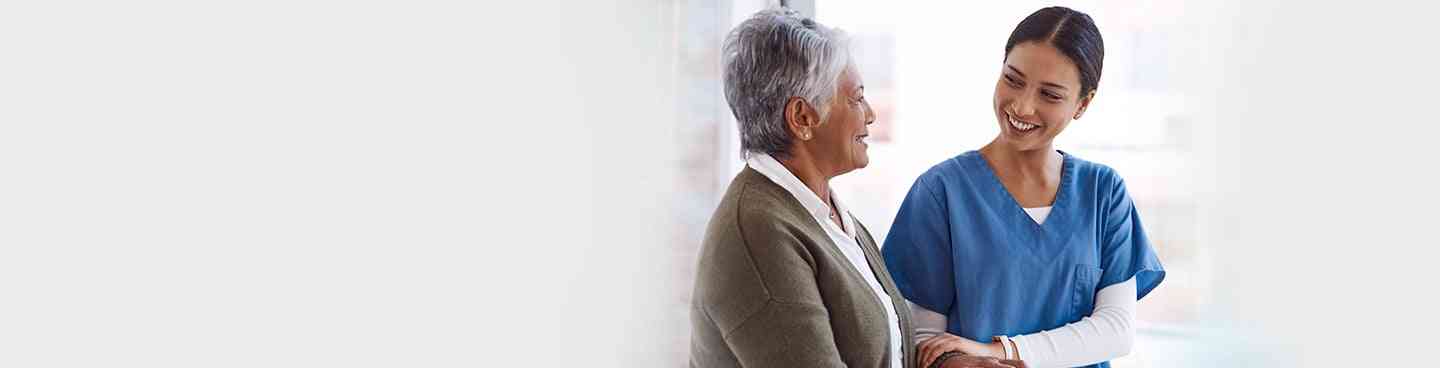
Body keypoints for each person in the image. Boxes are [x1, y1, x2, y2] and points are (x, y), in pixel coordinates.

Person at [689, 8, 1023, 368]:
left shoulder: (824, 212)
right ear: (803, 118)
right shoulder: (758, 232)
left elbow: (879, 348)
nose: (870, 113)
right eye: (856, 98)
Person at [881, 7, 1166, 368]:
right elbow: (924, 339)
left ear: (1083, 103)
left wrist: (1002, 350)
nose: (1022, 106)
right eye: (1013, 80)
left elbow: (1115, 330)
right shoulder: (941, 192)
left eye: (1050, 95)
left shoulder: (1103, 193)